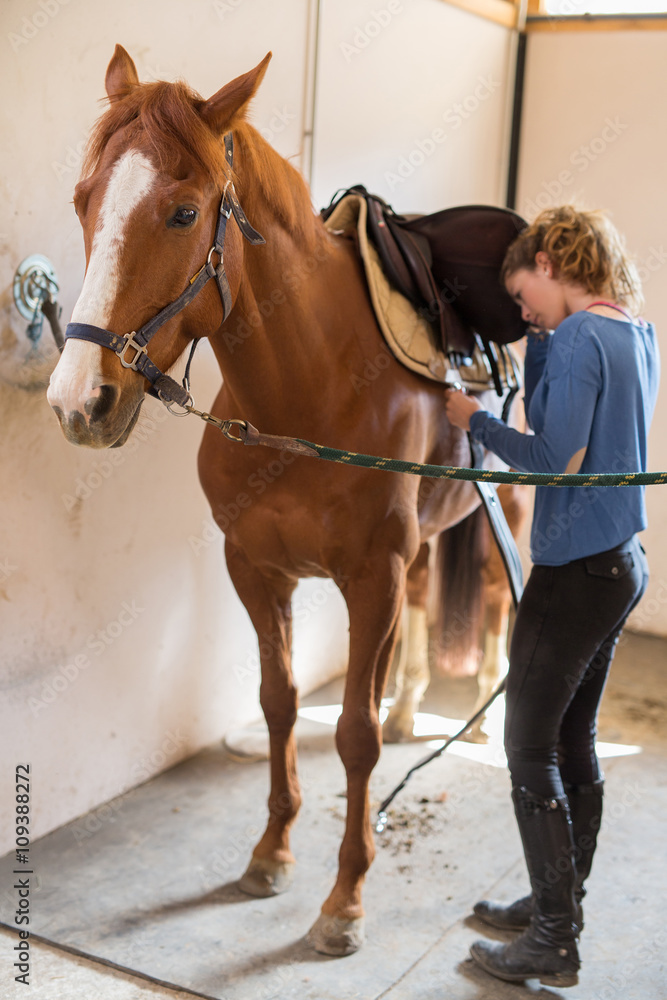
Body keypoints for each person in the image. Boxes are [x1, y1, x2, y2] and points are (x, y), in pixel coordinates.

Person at [444, 205, 660, 988]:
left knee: (528, 745)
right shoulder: (632, 332)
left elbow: (548, 458)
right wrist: (539, 340)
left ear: (550, 260)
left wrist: (474, 419)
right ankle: (553, 901)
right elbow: (571, 424)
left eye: (523, 293)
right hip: (618, 562)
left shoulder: (575, 340)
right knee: (572, 741)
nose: (519, 309)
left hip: (572, 572)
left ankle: (552, 939)